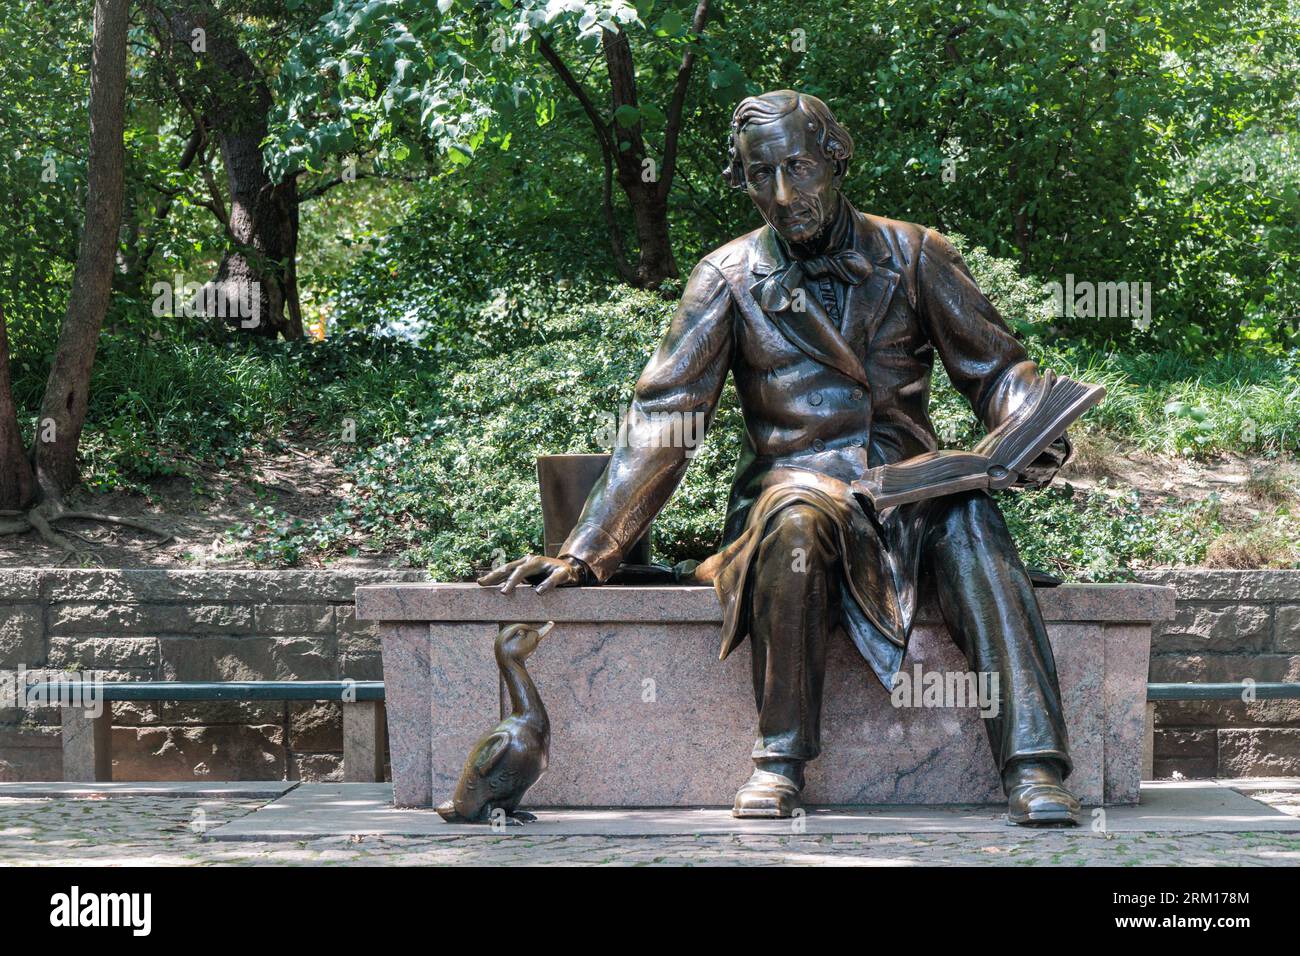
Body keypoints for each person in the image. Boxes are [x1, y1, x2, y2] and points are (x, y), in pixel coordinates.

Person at [480, 90, 1080, 826]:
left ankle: (1034, 766)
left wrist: (1032, 424)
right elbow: (666, 416)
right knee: (795, 520)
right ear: (743, 180)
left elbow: (997, 374)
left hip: (908, 494)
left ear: (836, 156)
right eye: (761, 175)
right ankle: (779, 759)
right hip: (796, 492)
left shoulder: (916, 253)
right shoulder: (728, 277)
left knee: (972, 518)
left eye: (798, 166)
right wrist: (586, 550)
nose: (784, 193)